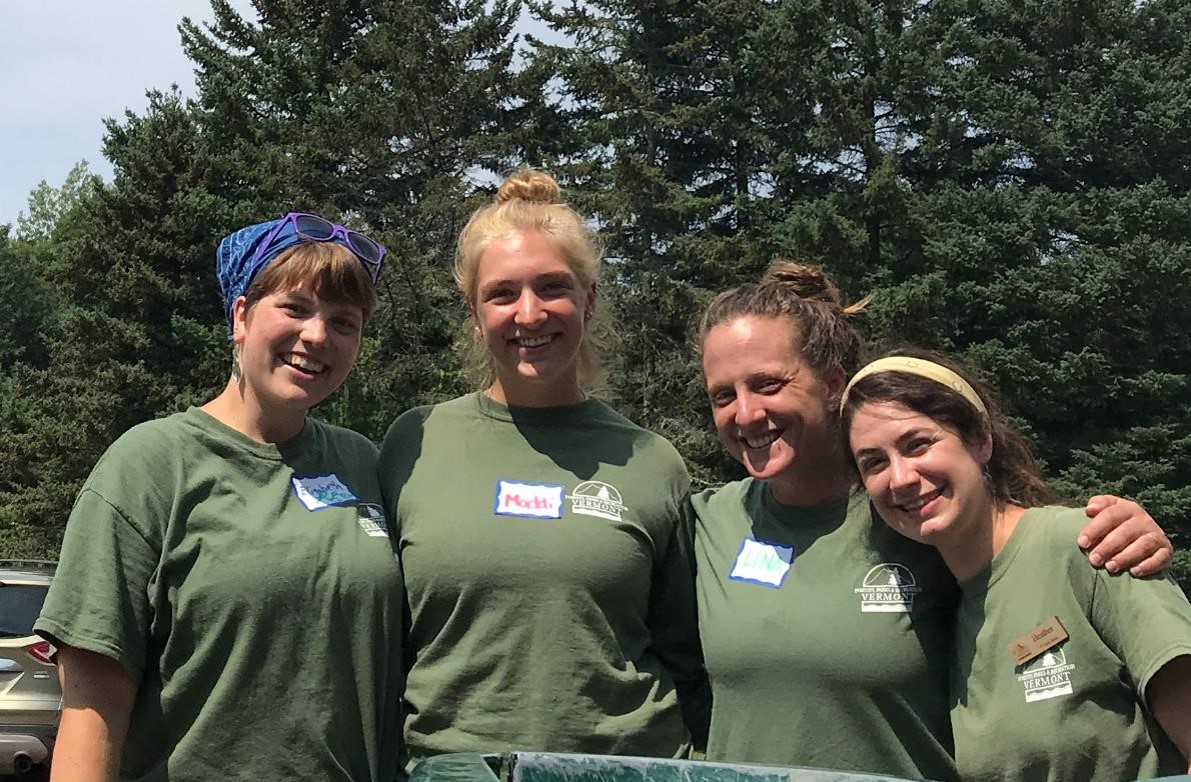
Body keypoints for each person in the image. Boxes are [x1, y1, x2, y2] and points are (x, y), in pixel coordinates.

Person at [691, 261, 1172, 779]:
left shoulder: (920, 518)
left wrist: (1120, 534)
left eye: (767, 383)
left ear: (832, 384)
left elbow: (1022, 552)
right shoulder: (706, 521)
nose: (744, 413)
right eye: (723, 394)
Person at [35, 214, 404, 782]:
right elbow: (92, 702)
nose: (318, 335)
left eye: (343, 321)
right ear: (240, 316)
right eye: (295, 308)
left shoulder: (363, 464)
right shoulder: (152, 465)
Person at [377, 170, 708, 769]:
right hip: (452, 770)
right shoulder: (414, 443)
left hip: (624, 769)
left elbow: (686, 655)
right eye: (502, 294)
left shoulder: (652, 463)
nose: (529, 314)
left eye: (552, 287)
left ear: (590, 298)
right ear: (474, 313)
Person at [841, 348, 1191, 781]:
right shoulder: (942, 607)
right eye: (874, 462)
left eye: (918, 444)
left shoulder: (1089, 545)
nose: (901, 477)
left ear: (980, 439)